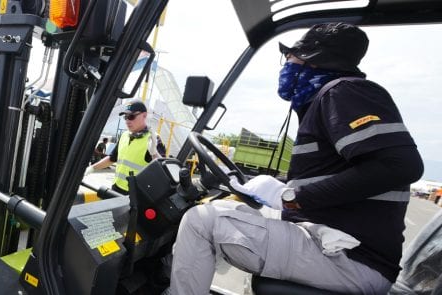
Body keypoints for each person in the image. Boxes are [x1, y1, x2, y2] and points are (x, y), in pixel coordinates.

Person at [169, 23, 424, 294]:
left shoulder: (343, 92)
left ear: (314, 60)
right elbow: (330, 177)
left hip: (350, 257)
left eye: (291, 57)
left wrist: (293, 197)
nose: (286, 65)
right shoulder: (332, 98)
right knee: (229, 212)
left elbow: (401, 165)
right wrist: (264, 184)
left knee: (200, 221)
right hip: (342, 246)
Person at [85, 99, 165, 195]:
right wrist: (92, 168)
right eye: (125, 117)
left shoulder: (153, 139)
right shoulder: (124, 135)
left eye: (131, 116)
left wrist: (154, 153)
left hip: (136, 195)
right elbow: (112, 158)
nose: (127, 120)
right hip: (116, 188)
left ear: (144, 115)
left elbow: (163, 171)